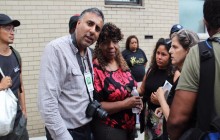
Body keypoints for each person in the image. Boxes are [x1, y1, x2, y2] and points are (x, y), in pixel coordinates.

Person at [38, 8, 104, 140]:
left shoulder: (89, 53)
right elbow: (47, 103)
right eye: (89, 24)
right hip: (65, 132)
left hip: (87, 129)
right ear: (78, 24)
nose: (92, 31)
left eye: (97, 29)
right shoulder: (56, 49)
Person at [167, 0, 220, 139]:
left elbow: (177, 120)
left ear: (205, 23)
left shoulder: (200, 54)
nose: (170, 51)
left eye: (175, 47)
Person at [92, 22, 142, 140]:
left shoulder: (121, 62)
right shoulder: (96, 68)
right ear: (99, 44)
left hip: (129, 125)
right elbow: (97, 105)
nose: (111, 46)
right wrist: (126, 104)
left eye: (114, 41)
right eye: (106, 42)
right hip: (110, 127)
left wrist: (138, 101)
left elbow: (132, 87)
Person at [154, 29, 199, 140]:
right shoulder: (185, 76)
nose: (170, 51)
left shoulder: (188, 80)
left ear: (188, 51)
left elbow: (175, 123)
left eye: (175, 47)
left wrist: (162, 99)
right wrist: (165, 106)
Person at [138, 38, 178, 140]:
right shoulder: (151, 70)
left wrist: (161, 100)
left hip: (164, 120)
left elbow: (179, 101)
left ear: (170, 56)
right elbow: (142, 90)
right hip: (149, 117)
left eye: (163, 54)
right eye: (157, 53)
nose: (159, 57)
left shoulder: (175, 74)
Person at [0, 14, 28, 140]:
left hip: (17, 121)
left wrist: (24, 111)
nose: (12, 33)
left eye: (13, 29)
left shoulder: (16, 55)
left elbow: (20, 86)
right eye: (7, 28)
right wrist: (0, 86)